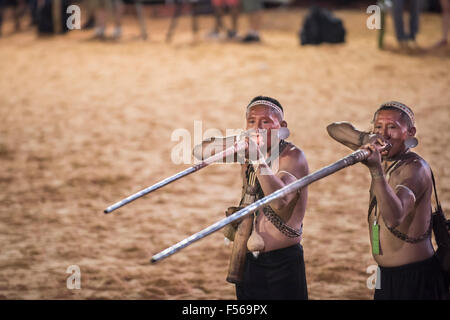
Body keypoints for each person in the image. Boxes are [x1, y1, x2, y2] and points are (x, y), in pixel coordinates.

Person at [327, 101, 449, 300]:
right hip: (385, 276)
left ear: (410, 132)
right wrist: (366, 137)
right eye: (378, 127)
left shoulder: (415, 169)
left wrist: (376, 171)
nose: (384, 134)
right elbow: (333, 129)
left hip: (416, 278)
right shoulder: (382, 154)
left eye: (392, 127)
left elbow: (394, 217)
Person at [193, 96, 309, 300]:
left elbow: (279, 201)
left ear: (282, 127)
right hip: (247, 259)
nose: (258, 127)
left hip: (282, 262)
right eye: (252, 122)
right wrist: (239, 141)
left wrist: (258, 159)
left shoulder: (292, 156)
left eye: (265, 122)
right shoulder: (246, 150)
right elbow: (200, 152)